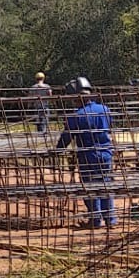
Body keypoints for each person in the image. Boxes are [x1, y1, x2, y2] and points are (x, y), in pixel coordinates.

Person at [56, 76, 116, 228]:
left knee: (90, 187)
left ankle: (95, 220)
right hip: (105, 152)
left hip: (87, 154)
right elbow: (110, 127)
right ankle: (110, 219)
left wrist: (58, 150)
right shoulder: (105, 110)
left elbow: (67, 136)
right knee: (105, 184)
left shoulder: (75, 116)